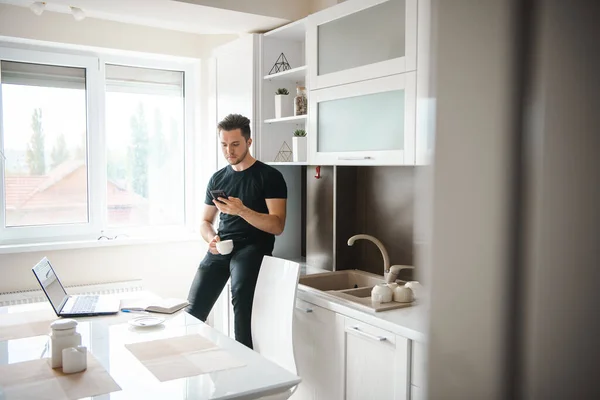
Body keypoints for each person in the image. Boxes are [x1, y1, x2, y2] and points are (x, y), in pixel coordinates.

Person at [186, 113, 288, 349]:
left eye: (234, 144)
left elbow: (278, 225)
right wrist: (211, 239)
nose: (228, 151)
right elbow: (204, 221)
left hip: (253, 247)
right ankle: (188, 365)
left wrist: (242, 211)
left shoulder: (270, 177)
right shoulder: (218, 178)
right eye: (223, 145)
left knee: (240, 299)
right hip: (223, 246)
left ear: (248, 142)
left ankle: (247, 367)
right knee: (192, 311)